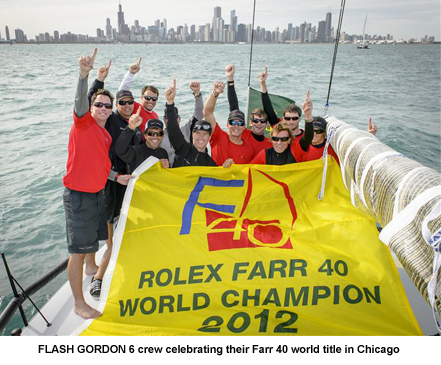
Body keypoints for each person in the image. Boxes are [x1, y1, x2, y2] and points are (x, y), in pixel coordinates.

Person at [63, 48, 114, 319]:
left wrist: (119, 177)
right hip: (79, 196)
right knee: (78, 251)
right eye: (99, 105)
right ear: (92, 107)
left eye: (108, 106)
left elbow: (102, 167)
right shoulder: (82, 123)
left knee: (93, 243)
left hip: (96, 194)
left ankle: (91, 269)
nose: (104, 109)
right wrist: (84, 76)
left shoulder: (104, 135)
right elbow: (79, 101)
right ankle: (78, 303)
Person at [86, 61, 139, 298]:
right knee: (109, 233)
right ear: (116, 106)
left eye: (131, 102)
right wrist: (98, 80)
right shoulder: (111, 119)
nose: (127, 106)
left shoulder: (134, 123)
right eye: (123, 103)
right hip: (108, 181)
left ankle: (91, 264)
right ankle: (97, 278)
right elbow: (93, 104)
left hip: (123, 181)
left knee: (109, 224)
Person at [164, 79, 217, 167]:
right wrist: (170, 103)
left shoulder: (211, 164)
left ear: (209, 136)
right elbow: (173, 130)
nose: (201, 137)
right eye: (198, 133)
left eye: (205, 134)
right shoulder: (183, 148)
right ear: (193, 134)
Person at [204, 81, 258, 167]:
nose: (236, 126)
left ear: (244, 127)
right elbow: (207, 112)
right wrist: (215, 94)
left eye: (240, 123)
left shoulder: (249, 149)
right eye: (232, 122)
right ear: (227, 124)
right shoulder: (218, 136)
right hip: (215, 180)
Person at [250, 95, 314, 165]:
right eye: (275, 139)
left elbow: (308, 137)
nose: (279, 142)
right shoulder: (264, 154)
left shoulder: (295, 152)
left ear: (289, 140)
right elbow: (248, 170)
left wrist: (308, 116)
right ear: (271, 140)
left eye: (284, 139)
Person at [225, 64, 272, 154]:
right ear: (250, 122)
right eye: (255, 120)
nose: (259, 124)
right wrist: (230, 79)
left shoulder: (270, 144)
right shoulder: (243, 133)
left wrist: (263, 84)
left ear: (266, 124)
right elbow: (234, 108)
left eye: (262, 121)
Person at [115, 107, 169, 173]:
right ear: (145, 135)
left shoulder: (163, 152)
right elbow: (119, 150)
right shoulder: (136, 152)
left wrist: (168, 166)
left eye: (159, 133)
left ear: (162, 136)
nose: (155, 137)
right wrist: (131, 128)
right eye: (151, 133)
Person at [119, 57, 160, 134]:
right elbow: (122, 94)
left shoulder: (155, 116)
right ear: (141, 97)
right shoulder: (134, 107)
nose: (151, 101)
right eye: (147, 98)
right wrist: (131, 74)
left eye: (154, 99)